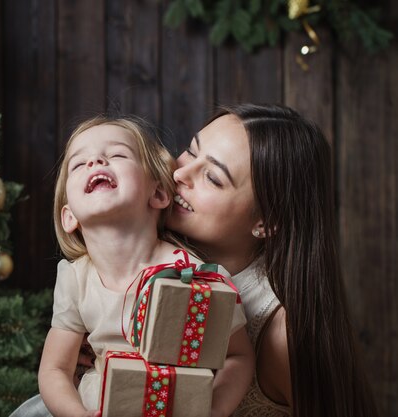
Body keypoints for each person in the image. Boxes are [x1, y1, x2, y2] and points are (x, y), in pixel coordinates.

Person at [23, 115, 253, 417]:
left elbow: (238, 356)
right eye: (79, 164)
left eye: (117, 154)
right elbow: (55, 369)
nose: (95, 161)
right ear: (69, 216)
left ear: (157, 193)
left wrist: (213, 410)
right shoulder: (76, 279)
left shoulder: (192, 275)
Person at [166, 103, 378, 417]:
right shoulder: (151, 248)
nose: (180, 173)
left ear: (266, 222)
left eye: (212, 177)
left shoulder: (281, 333)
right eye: (191, 151)